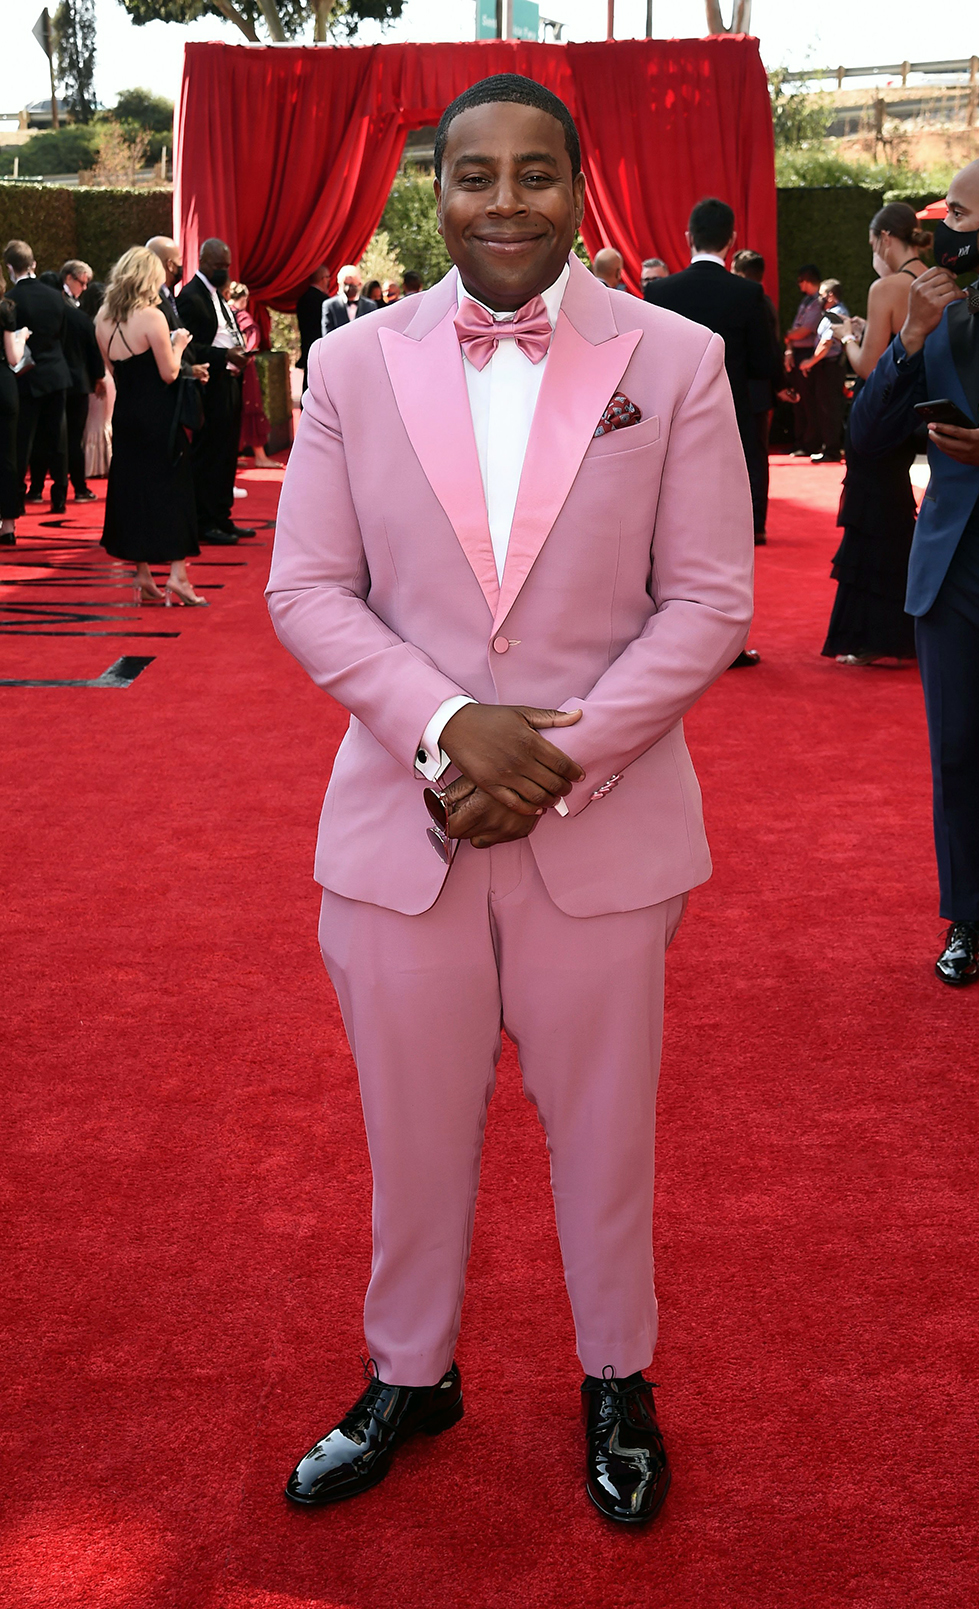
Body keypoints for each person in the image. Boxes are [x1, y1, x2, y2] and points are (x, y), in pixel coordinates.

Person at [268, 72, 753, 1524]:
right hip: (398, 829)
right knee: (410, 1127)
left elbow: (710, 598)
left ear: (578, 186)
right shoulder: (354, 362)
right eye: (473, 174)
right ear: (437, 189)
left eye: (534, 174)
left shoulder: (672, 360)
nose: (502, 202)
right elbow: (307, 588)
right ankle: (410, 1372)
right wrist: (446, 730)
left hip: (601, 831)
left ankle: (618, 1377)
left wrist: (552, 762)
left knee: (606, 1130)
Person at [850, 154, 979, 988]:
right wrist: (909, 339)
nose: (944, 233)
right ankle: (965, 919)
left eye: (964, 218)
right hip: (951, 570)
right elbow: (867, 440)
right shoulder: (932, 309)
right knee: (955, 756)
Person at [646, 196, 777, 603]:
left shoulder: (659, 291)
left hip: (669, 420)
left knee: (670, 526)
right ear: (732, 241)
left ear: (688, 238)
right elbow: (765, 363)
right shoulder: (749, 295)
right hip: (731, 418)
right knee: (724, 533)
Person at [821, 203, 930, 668]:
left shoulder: (887, 285)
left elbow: (869, 366)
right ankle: (902, 626)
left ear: (886, 238)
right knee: (894, 511)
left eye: (872, 246)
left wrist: (847, 336)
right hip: (911, 416)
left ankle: (869, 633)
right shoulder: (936, 281)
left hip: (879, 416)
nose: (874, 254)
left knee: (870, 514)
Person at [95, 246, 203, 607]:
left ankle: (142, 573)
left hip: (125, 415)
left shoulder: (102, 318)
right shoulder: (153, 317)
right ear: (148, 277)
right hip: (159, 418)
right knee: (173, 488)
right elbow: (169, 373)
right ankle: (178, 574)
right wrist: (179, 342)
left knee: (133, 491)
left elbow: (113, 370)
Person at [176, 238, 254, 546]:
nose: (224, 271)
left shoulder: (217, 296)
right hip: (210, 384)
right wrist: (224, 357)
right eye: (219, 266)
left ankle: (222, 516)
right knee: (210, 455)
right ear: (203, 262)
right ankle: (204, 521)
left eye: (227, 266)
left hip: (230, 382)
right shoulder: (190, 296)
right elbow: (186, 345)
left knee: (226, 454)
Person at [3, 239, 71, 514]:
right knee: (59, 438)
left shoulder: (11, 301)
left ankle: (17, 499)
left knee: (22, 441)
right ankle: (60, 497)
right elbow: (63, 335)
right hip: (56, 374)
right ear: (33, 264)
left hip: (26, 377)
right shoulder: (57, 296)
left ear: (9, 267)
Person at [731, 248, 785, 542]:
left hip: (748, 389)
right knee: (756, 458)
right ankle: (756, 523)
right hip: (760, 392)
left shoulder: (751, 300)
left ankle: (752, 522)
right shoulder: (765, 302)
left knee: (747, 458)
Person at [55, 259, 105, 503]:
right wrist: (99, 376)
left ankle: (42, 490)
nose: (85, 288)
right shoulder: (77, 316)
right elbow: (92, 350)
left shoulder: (54, 309)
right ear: (68, 279)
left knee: (53, 436)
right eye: (82, 283)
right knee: (74, 438)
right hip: (77, 382)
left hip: (53, 381)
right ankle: (78, 487)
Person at [229, 282, 282, 468]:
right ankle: (260, 456)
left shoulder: (224, 312)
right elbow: (253, 335)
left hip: (227, 367)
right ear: (244, 299)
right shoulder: (242, 315)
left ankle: (233, 456)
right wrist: (246, 353)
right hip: (244, 366)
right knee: (252, 406)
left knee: (234, 409)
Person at [799, 278, 849, 464]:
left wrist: (810, 362)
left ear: (830, 295)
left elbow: (827, 342)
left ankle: (833, 449)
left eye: (820, 294)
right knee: (826, 406)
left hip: (831, 366)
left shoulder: (836, 314)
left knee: (830, 408)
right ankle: (830, 447)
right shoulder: (831, 313)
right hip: (828, 366)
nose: (817, 298)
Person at [0, 264, 28, 545]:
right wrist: (21, 338)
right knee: (7, 456)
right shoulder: (5, 308)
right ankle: (7, 526)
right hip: (3, 386)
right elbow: (13, 357)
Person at [784, 264, 823, 456]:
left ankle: (810, 443)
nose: (799, 285)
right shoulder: (807, 301)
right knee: (798, 402)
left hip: (808, 354)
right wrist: (789, 348)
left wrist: (788, 336)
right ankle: (799, 441)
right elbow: (794, 332)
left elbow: (804, 330)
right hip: (798, 354)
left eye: (800, 281)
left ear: (806, 280)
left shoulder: (817, 303)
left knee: (808, 402)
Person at [80, 280, 114, 478]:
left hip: (93, 376)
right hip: (106, 375)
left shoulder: (85, 322)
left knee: (92, 423)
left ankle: (92, 466)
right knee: (104, 423)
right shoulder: (108, 321)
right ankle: (106, 463)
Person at [295, 264, 329, 392]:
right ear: (323, 279)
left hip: (307, 346)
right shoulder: (325, 302)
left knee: (307, 384)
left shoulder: (302, 299)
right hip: (321, 348)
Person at [321, 265, 377, 336]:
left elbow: (372, 332)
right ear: (340, 284)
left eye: (352, 285)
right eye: (345, 284)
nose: (348, 288)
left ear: (359, 284)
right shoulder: (330, 305)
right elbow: (327, 335)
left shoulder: (370, 306)